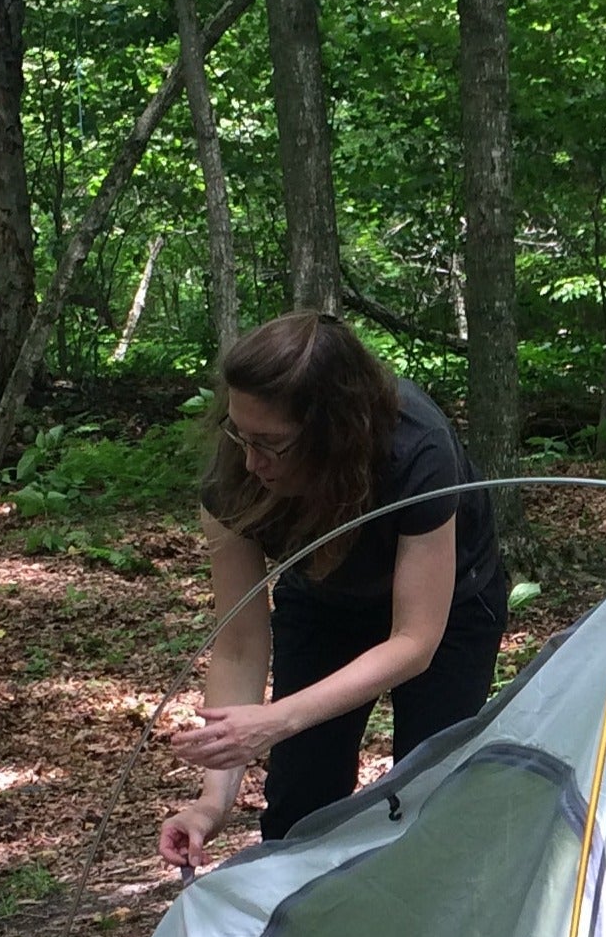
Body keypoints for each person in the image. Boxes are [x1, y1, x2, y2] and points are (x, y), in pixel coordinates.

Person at [159, 311, 509, 867]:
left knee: (432, 793)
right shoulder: (235, 477)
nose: (252, 463)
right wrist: (210, 803)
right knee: (300, 806)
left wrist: (277, 720)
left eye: (271, 444)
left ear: (333, 430)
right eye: (238, 434)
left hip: (450, 610)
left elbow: (413, 642)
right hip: (323, 601)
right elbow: (240, 644)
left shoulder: (417, 450)